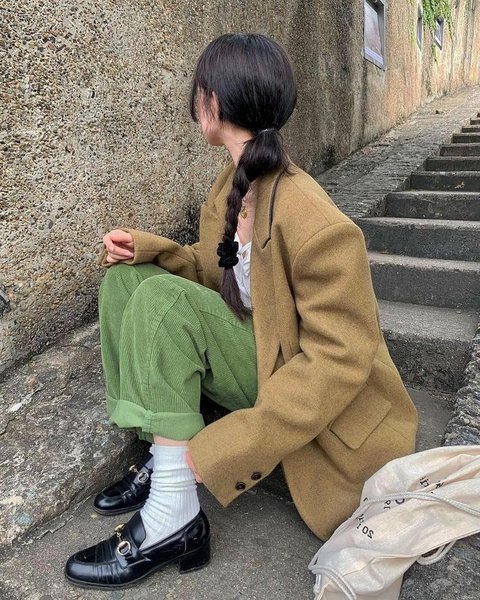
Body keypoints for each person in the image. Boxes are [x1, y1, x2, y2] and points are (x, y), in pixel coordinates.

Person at [64, 32, 418, 589]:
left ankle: (174, 517)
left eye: (198, 89)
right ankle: (165, 454)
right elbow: (219, 276)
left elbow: (340, 360)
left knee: (161, 302)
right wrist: (148, 251)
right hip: (257, 352)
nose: (193, 100)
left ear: (215, 101)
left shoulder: (316, 221)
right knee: (127, 283)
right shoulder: (232, 187)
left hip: (314, 393)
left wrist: (230, 447)